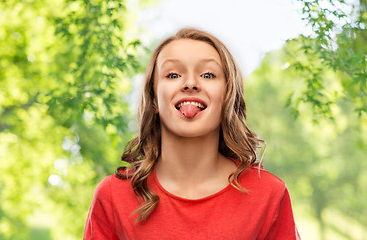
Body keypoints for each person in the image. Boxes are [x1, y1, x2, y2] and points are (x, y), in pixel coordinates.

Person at [83, 28, 301, 240]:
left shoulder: (269, 194)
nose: (190, 84)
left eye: (207, 74)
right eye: (173, 74)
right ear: (153, 99)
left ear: (227, 96)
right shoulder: (112, 195)